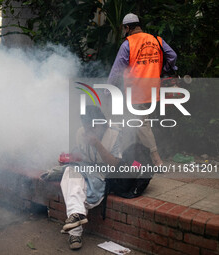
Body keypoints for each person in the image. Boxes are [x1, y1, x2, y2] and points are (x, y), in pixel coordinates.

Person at [107, 13, 178, 166]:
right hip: (153, 90)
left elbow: (117, 70)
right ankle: (133, 159)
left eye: (125, 29)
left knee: (140, 125)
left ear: (127, 28)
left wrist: (108, 88)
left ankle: (156, 160)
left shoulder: (128, 44)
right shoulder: (156, 40)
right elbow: (172, 55)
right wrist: (164, 68)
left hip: (136, 91)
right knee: (135, 124)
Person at [60, 105, 122, 250]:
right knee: (70, 172)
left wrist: (97, 144)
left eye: (91, 127)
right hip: (84, 170)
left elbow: (115, 164)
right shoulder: (81, 132)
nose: (88, 130)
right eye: (85, 126)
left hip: (103, 175)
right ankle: (77, 217)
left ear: (101, 123)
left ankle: (75, 232)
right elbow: (80, 157)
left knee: (74, 184)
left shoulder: (115, 134)